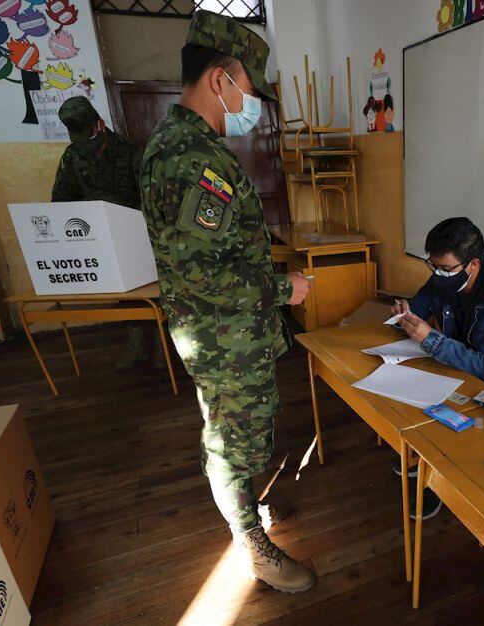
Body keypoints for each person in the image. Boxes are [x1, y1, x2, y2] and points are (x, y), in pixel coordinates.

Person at [139, 12, 313, 592]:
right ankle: (253, 547)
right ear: (221, 79)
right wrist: (287, 288)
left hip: (231, 332)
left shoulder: (185, 146)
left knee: (247, 431)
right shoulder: (191, 159)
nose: (252, 103)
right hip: (223, 335)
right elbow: (204, 277)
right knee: (232, 443)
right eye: (249, 88)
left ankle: (250, 515)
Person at [392, 217, 484, 519]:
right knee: (409, 400)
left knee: (433, 413)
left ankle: (434, 482)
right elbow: (420, 305)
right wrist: (405, 312)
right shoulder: (446, 277)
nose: (438, 275)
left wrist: (432, 340)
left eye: (445, 268)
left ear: (473, 264)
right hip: (457, 371)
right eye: (433, 266)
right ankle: (421, 462)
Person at [52, 96, 155, 369]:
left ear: (99, 123)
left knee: (154, 292)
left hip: (138, 235)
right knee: (126, 296)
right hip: (98, 237)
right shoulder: (72, 156)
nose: (85, 142)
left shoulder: (131, 151)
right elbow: (61, 200)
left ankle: (167, 349)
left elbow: (151, 194)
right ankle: (138, 347)